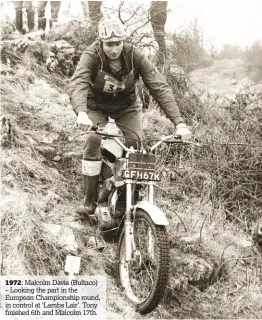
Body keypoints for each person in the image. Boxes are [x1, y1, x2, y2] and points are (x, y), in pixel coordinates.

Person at [67, 18, 191, 217]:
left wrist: (180, 123)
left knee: (135, 145)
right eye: (109, 44)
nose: (114, 49)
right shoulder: (91, 55)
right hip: (96, 106)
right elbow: (78, 83)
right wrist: (82, 112)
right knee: (92, 140)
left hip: (127, 106)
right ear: (101, 42)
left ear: (123, 41)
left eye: (118, 43)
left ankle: (124, 196)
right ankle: (89, 200)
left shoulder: (135, 55)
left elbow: (159, 86)